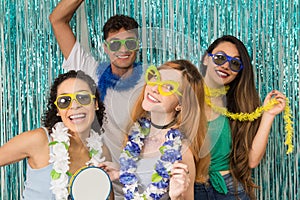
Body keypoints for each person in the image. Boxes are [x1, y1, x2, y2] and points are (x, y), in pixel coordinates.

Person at [49, 1, 144, 198]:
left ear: (138, 46)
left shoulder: (151, 83)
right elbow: (57, 20)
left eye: (130, 42)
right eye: (115, 43)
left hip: (144, 184)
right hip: (101, 185)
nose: (123, 49)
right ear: (106, 48)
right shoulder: (91, 74)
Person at [193, 35, 287, 199]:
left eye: (235, 63)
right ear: (206, 59)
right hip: (190, 188)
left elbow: (251, 161)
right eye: (220, 58)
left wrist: (268, 115)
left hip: (229, 189)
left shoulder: (238, 106)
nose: (226, 66)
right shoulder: (184, 96)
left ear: (238, 72)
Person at [99, 60, 208, 199]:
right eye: (156, 77)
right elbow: (144, 181)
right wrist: (122, 172)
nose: (155, 88)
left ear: (181, 104)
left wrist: (176, 196)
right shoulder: (137, 134)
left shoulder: (181, 151)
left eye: (168, 87)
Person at [0, 70, 112, 199]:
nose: (74, 106)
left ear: (95, 104)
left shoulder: (102, 153)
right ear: (58, 110)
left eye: (83, 97)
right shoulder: (39, 140)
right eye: (64, 101)